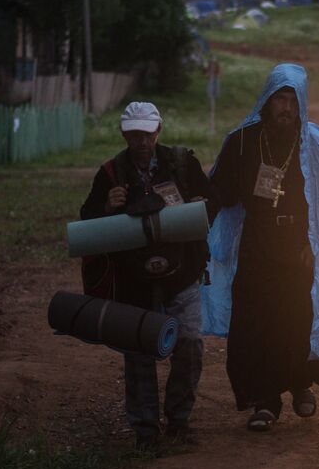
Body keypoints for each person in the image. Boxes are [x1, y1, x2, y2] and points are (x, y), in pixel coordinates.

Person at [204, 64, 319, 431]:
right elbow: (220, 194)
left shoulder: (316, 145)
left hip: (300, 249)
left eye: (293, 100)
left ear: (301, 102)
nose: (286, 108)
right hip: (258, 246)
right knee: (256, 323)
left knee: (298, 320)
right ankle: (264, 401)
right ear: (267, 99)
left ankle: (300, 385)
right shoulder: (243, 142)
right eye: (280, 98)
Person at [79, 102, 218, 449]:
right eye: (135, 134)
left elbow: (210, 206)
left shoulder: (183, 164)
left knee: (189, 345)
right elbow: (87, 221)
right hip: (133, 280)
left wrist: (189, 205)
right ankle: (145, 432)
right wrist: (107, 208)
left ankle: (179, 421)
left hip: (182, 274)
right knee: (138, 354)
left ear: (159, 131)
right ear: (125, 135)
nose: (142, 141)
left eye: (147, 133)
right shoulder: (110, 174)